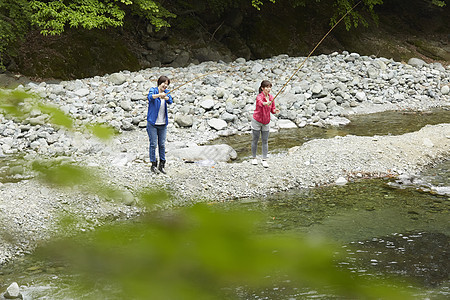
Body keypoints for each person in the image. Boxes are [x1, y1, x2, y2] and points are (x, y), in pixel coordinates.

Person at [147, 75, 173, 174]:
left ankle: (162, 165)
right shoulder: (153, 90)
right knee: (153, 144)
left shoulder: (166, 92)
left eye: (167, 84)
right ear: (159, 83)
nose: (165, 86)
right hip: (152, 123)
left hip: (163, 124)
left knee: (162, 144)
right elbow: (150, 97)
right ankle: (153, 165)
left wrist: (165, 97)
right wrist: (159, 95)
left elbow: (170, 101)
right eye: (164, 83)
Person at [251, 80, 280, 168]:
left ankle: (264, 160)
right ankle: (254, 158)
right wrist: (265, 103)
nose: (268, 89)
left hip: (266, 122)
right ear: (262, 88)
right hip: (257, 121)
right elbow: (260, 103)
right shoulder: (259, 97)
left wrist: (275, 111)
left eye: (270, 87)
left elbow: (272, 109)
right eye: (266, 87)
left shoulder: (271, 97)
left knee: (265, 141)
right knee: (255, 140)